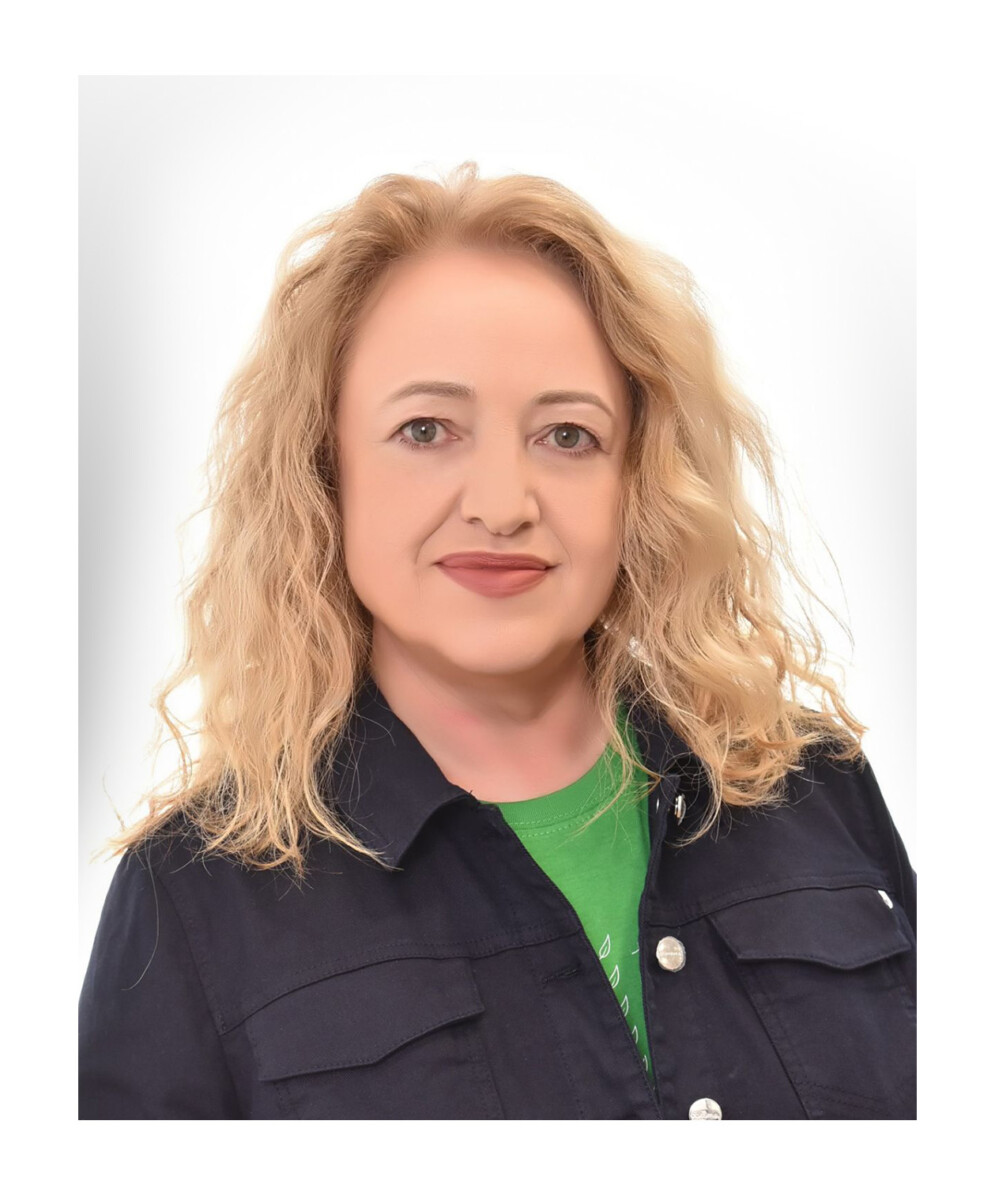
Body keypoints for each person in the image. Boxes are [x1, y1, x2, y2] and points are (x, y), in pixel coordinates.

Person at [78, 162, 915, 1120]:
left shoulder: (816, 791)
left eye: (567, 436)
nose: (502, 505)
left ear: (637, 481)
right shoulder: (192, 898)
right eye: (425, 429)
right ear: (324, 472)